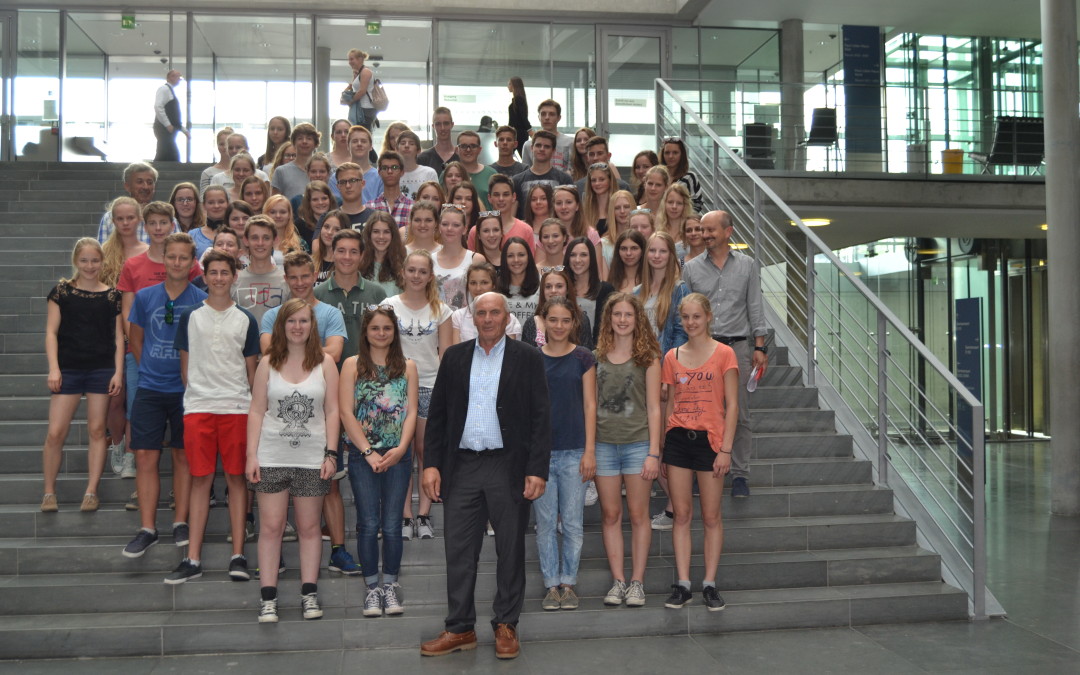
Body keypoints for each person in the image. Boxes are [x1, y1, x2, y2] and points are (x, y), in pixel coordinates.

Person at [419, 292, 551, 661]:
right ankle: (460, 628)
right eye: (482, 313)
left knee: (510, 548)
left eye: (495, 312)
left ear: (507, 318)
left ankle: (506, 624)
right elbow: (439, 416)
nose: (488, 318)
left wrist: (536, 469)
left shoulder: (527, 358)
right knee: (458, 550)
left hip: (507, 465)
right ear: (472, 318)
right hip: (462, 466)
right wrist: (432, 464)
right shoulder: (456, 358)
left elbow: (542, 417)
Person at [165, 250, 260, 584]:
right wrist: (199, 396)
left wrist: (250, 408)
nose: (219, 278)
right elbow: (185, 367)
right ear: (203, 276)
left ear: (234, 277)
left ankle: (238, 555)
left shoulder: (246, 319)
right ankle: (193, 558)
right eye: (213, 272)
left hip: (236, 409)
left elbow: (252, 373)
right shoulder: (190, 315)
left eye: (225, 272)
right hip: (199, 408)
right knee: (200, 480)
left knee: (236, 479)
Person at [246, 298, 340, 623]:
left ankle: (309, 594)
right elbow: (257, 409)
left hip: (312, 458)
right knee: (271, 528)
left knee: (310, 527)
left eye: (304, 321)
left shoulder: (325, 363)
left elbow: (332, 410)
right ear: (282, 325)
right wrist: (251, 455)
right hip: (271, 455)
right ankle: (268, 599)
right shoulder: (267, 362)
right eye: (292, 321)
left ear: (312, 325)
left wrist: (331, 452)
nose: (298, 327)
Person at [122, 232, 207, 559]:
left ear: (192, 262)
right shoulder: (145, 297)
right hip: (150, 388)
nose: (176, 262)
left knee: (184, 456)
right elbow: (136, 339)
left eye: (183, 258)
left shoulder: (200, 300)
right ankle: (147, 528)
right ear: (164, 258)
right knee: (145, 456)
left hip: (188, 392)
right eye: (171, 256)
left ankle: (180, 521)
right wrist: (149, 372)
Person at [681, 210, 768, 499]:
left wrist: (759, 346)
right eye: (702, 230)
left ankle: (740, 474)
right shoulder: (691, 269)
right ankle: (700, 469)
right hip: (703, 348)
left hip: (738, 349)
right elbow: (686, 313)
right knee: (702, 412)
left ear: (727, 232)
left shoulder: (747, 265)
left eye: (710, 230)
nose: (704, 235)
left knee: (739, 412)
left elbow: (755, 306)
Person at [661, 292, 738, 611]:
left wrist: (726, 449)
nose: (691, 322)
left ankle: (709, 583)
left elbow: (733, 405)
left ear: (708, 317)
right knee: (681, 515)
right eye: (686, 317)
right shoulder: (671, 356)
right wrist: (663, 445)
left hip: (711, 441)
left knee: (711, 516)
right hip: (679, 438)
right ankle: (682, 583)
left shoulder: (725, 354)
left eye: (696, 316)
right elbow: (669, 403)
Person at [340, 306, 419, 616]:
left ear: (394, 332)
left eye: (387, 328)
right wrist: (367, 452)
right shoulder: (352, 365)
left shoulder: (408, 366)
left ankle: (390, 586)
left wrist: (401, 448)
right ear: (366, 332)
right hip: (363, 458)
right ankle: (372, 588)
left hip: (398, 456)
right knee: (368, 523)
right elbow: (346, 411)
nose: (382, 333)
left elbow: (412, 410)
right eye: (376, 328)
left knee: (391, 523)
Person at [41, 238, 123, 513]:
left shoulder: (112, 295)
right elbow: (51, 332)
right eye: (85, 260)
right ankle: (49, 491)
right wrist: (54, 367)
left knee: (98, 430)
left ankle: (91, 491)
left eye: (95, 260)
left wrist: (118, 372)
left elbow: (118, 339)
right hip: (69, 369)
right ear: (76, 261)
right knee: (55, 432)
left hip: (101, 368)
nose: (90, 266)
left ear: (103, 262)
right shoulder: (61, 292)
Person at [593, 293, 661, 607]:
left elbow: (654, 408)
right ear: (609, 319)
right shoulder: (597, 356)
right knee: (610, 514)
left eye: (628, 315)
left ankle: (637, 582)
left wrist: (654, 453)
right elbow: (590, 405)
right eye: (617, 314)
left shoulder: (649, 357)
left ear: (637, 320)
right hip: (604, 444)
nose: (622, 320)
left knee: (638, 515)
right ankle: (618, 580)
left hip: (637, 445)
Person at [533, 295, 595, 611]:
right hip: (542, 456)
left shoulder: (583, 357)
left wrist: (590, 452)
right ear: (543, 321)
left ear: (574, 324)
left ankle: (568, 583)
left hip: (574, 453)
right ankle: (550, 584)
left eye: (565, 320)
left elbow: (590, 405)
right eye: (553, 319)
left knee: (572, 523)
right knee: (544, 525)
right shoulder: (532, 358)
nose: (559, 326)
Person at [388, 250, 453, 541]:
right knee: (403, 453)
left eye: (422, 271)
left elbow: (448, 355)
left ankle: (424, 513)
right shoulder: (388, 306)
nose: (416, 276)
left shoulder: (442, 310)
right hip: (397, 386)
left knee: (426, 450)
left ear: (430, 276)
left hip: (431, 384)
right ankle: (404, 516)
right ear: (403, 272)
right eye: (411, 270)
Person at [314, 228, 388, 359]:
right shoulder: (317, 294)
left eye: (353, 252)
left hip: (367, 375)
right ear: (333, 253)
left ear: (362, 255)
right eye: (341, 251)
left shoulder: (377, 293)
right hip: (327, 372)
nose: (347, 257)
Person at [638, 231, 689, 356]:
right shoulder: (636, 292)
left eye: (663, 251)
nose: (656, 256)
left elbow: (681, 333)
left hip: (666, 362)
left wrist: (670, 363)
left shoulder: (680, 290)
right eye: (652, 250)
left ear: (671, 255)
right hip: (639, 362)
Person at [96, 163, 174, 244]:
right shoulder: (109, 218)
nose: (145, 187)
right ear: (127, 186)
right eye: (140, 182)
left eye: (150, 182)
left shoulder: (168, 217)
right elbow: (103, 253)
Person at [234, 216, 290, 325]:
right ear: (246, 240)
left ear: (275, 240)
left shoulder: (286, 280)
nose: (260, 243)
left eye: (266, 238)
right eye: (254, 238)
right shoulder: (235, 281)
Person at [521, 268, 593, 350]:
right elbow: (526, 358)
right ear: (542, 291)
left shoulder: (582, 320)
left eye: (559, 286)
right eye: (548, 287)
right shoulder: (531, 323)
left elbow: (587, 356)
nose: (553, 291)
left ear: (567, 290)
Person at [450, 261, 522, 342]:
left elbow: (510, 352)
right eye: (473, 283)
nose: (478, 288)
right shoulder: (458, 316)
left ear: (493, 285)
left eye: (484, 283)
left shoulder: (508, 318)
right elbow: (456, 351)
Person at [465, 174, 535, 253]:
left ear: (513, 197)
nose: (501, 199)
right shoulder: (475, 231)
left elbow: (530, 264)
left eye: (506, 194)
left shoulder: (526, 230)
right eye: (496, 195)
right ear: (489, 198)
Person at [512, 131, 573, 219]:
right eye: (538, 145)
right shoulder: (517, 180)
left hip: (556, 230)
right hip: (526, 231)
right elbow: (513, 215)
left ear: (553, 151)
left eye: (547, 146)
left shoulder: (564, 179)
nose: (542, 149)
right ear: (532, 148)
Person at [564, 236, 614, 344]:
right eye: (573, 255)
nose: (578, 260)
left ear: (592, 258)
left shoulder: (606, 290)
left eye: (583, 255)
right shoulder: (561, 289)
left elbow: (609, 328)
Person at [434, 203, 483, 309]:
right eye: (445, 224)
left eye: (456, 225)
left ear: (465, 229)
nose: (449, 229)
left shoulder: (476, 259)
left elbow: (483, 296)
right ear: (439, 227)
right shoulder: (429, 259)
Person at [359, 211, 406, 298]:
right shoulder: (359, 264)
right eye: (376, 231)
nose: (381, 236)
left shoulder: (403, 265)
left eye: (386, 232)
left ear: (393, 235)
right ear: (369, 234)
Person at [520, 99, 574, 172]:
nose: (547, 118)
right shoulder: (528, 145)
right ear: (539, 117)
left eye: (551, 114)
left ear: (559, 118)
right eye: (543, 114)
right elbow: (526, 174)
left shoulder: (571, 142)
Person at [497, 237, 541, 326]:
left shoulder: (543, 283)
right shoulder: (495, 285)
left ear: (529, 257)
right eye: (510, 256)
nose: (516, 260)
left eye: (521, 255)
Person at [271, 123, 321, 199]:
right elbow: (274, 201)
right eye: (300, 138)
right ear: (294, 143)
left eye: (309, 138)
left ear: (316, 143)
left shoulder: (323, 171)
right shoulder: (281, 171)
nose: (304, 142)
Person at [366, 151, 414, 230]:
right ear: (379, 172)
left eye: (394, 167)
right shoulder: (369, 207)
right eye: (385, 168)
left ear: (402, 172)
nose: (390, 171)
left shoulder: (412, 208)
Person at [448, 131, 496, 208]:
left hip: (485, 219)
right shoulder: (448, 174)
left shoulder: (491, 175)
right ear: (457, 150)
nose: (468, 150)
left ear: (479, 150)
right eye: (463, 146)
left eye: (473, 146)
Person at [661, 136, 705, 213]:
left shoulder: (689, 177)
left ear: (682, 154)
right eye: (667, 153)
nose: (671, 156)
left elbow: (697, 204)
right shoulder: (658, 176)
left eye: (675, 152)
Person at [153, 69, 187, 162]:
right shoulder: (164, 89)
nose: (180, 80)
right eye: (178, 77)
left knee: (165, 153)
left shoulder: (169, 90)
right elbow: (158, 106)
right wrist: (167, 124)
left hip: (167, 129)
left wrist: (184, 130)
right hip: (163, 129)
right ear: (171, 77)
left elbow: (174, 116)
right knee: (170, 154)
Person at [396, 130, 439, 199]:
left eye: (411, 143)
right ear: (397, 150)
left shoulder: (429, 173)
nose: (406, 146)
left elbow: (436, 199)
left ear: (418, 150)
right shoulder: (391, 173)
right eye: (403, 143)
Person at [332, 162, 377, 227]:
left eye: (353, 180)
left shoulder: (375, 218)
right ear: (338, 186)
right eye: (342, 182)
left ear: (363, 184)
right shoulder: (329, 218)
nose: (348, 186)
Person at [417, 107, 460, 175]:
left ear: (452, 125)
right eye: (438, 124)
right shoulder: (423, 159)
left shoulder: (461, 156)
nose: (442, 128)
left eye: (446, 123)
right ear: (433, 126)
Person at [295, 178, 336, 247]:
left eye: (324, 198)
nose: (320, 202)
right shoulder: (299, 225)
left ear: (330, 199)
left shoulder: (339, 220)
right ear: (308, 202)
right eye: (315, 199)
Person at [602, 190, 636, 269]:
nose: (622, 211)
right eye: (617, 208)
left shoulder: (644, 239)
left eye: (626, 207)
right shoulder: (603, 244)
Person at [345, 48, 377, 129]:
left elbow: (362, 91)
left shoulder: (365, 72)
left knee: (361, 132)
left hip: (365, 109)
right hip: (360, 108)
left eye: (352, 59)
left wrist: (351, 101)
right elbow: (353, 88)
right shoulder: (359, 73)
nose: (350, 62)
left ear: (360, 59)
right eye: (349, 60)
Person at [609, 229, 647, 294]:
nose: (628, 253)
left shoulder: (651, 281)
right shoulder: (610, 283)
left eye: (634, 248)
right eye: (624, 249)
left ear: (643, 251)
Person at [312, 209, 344, 283]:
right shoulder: (310, 262)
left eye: (336, 229)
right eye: (326, 227)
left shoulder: (346, 264)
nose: (329, 232)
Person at [201, 126, 235, 192]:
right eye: (222, 144)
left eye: (228, 144)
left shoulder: (242, 172)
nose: (225, 147)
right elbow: (203, 199)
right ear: (217, 146)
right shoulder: (208, 173)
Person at [507, 77, 531, 151]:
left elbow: (523, 117)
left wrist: (530, 130)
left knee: (519, 156)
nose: (508, 86)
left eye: (510, 84)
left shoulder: (518, 99)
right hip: (517, 133)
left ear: (515, 85)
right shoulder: (518, 99)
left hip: (519, 134)